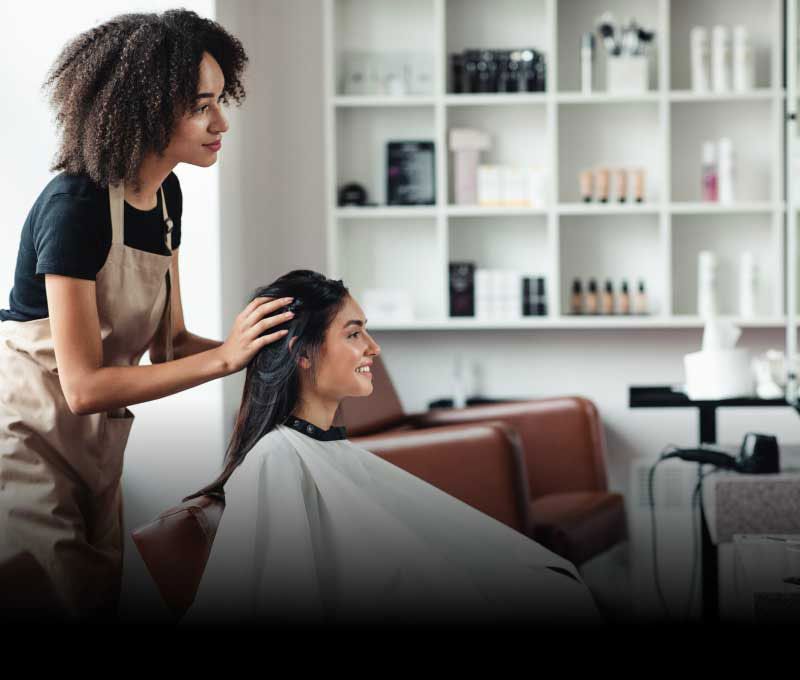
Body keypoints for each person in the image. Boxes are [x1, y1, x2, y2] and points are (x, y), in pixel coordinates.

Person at [0, 10, 295, 621]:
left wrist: (273, 352)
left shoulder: (166, 197)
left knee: (98, 595)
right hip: (25, 440)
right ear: (144, 108)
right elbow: (82, 387)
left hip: (96, 446)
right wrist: (227, 358)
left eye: (220, 100)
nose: (221, 123)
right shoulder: (74, 203)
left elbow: (172, 343)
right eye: (201, 106)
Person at [184, 270, 601, 627]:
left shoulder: (322, 448)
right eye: (353, 333)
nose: (372, 347)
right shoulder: (275, 461)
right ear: (303, 354)